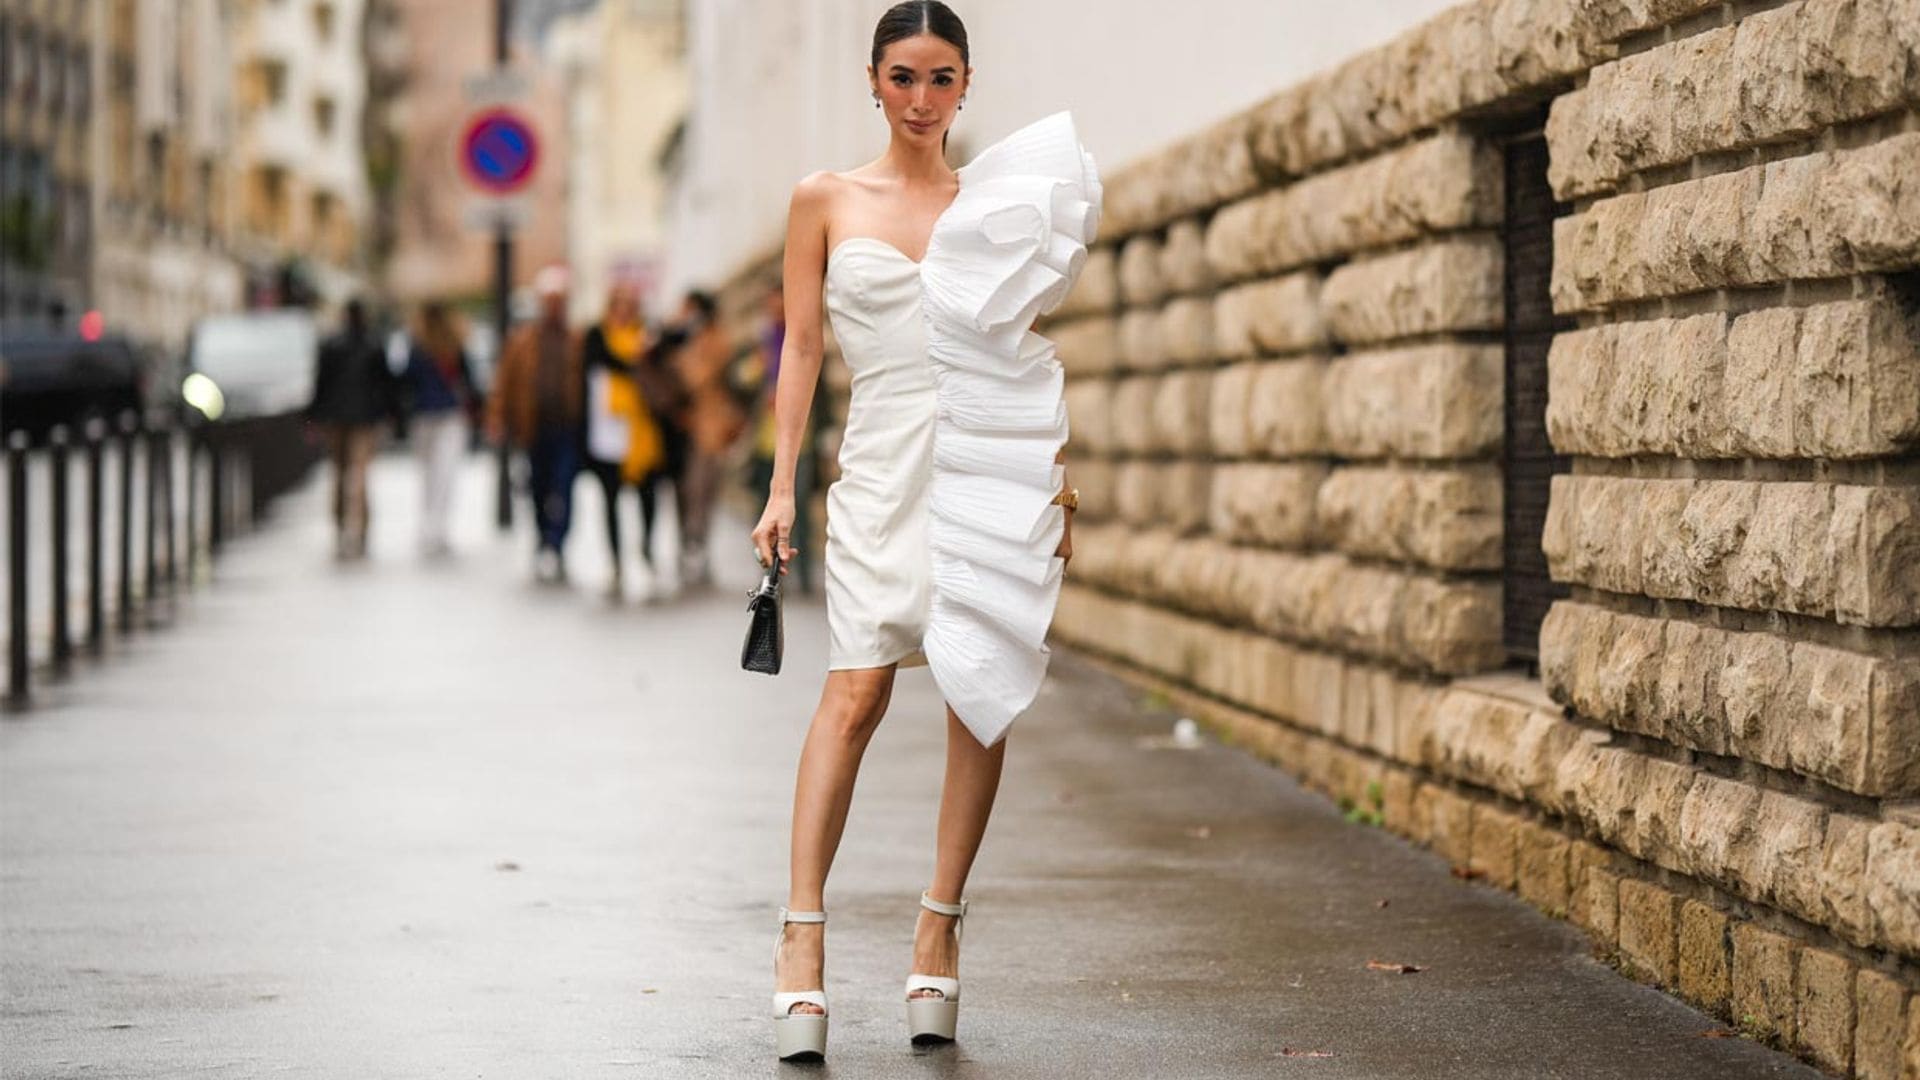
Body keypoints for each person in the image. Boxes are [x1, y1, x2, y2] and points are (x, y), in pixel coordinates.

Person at [749, 1, 1096, 1061]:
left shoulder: (993, 203)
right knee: (855, 691)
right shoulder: (822, 199)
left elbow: (1018, 352)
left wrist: (1052, 480)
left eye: (941, 78)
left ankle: (938, 927)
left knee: (978, 697)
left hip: (985, 467)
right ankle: (800, 942)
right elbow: (803, 347)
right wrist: (778, 488)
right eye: (903, 76)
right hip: (880, 469)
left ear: (965, 86)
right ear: (872, 79)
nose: (920, 98)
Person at [486, 267, 583, 583]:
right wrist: (499, 418)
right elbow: (504, 382)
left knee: (565, 485)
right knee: (539, 487)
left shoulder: (576, 339)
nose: (555, 307)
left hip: (567, 427)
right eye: (550, 300)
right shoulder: (523, 341)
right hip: (534, 427)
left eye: (560, 300)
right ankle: (543, 539)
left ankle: (557, 543)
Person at [579, 279, 666, 599]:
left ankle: (646, 551)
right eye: (619, 304)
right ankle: (615, 560)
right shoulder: (597, 337)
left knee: (648, 497)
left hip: (642, 429)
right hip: (608, 431)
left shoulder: (647, 336)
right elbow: (597, 365)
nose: (624, 311)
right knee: (610, 499)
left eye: (629, 305)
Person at [308, 297, 404, 559]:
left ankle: (341, 527)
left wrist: (313, 416)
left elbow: (320, 385)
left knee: (340, 475)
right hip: (364, 419)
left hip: (337, 418)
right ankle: (360, 529)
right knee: (360, 476)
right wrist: (394, 416)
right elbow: (387, 386)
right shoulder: (373, 344)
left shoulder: (332, 345)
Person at [668, 289, 744, 589]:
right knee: (684, 491)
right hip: (680, 430)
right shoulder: (682, 340)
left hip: (710, 428)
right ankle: (689, 544)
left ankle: (696, 546)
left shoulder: (715, 342)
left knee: (703, 490)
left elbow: (699, 377)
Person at [403, 301, 481, 556]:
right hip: (441, 415)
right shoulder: (435, 344)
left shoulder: (422, 345)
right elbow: (469, 382)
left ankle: (432, 526)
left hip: (433, 415)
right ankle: (436, 527)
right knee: (441, 475)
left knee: (432, 475)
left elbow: (406, 380)